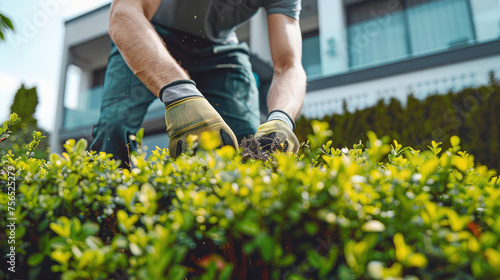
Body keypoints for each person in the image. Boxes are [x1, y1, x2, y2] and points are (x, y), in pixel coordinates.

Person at [89, 0, 307, 167]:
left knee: (249, 142)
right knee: (114, 127)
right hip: (147, 31)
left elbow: (289, 65)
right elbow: (123, 14)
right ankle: (108, 222)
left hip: (220, 48)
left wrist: (281, 120)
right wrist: (179, 94)